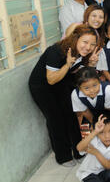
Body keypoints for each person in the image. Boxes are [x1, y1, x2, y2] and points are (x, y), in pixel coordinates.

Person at [29, 26, 99, 166]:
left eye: (92, 44)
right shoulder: (56, 51)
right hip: (42, 86)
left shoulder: (83, 53)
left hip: (62, 81)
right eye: (85, 42)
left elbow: (76, 73)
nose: (88, 47)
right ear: (76, 39)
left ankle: (78, 151)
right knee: (56, 119)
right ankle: (63, 156)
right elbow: (51, 79)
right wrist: (67, 65)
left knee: (71, 115)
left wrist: (90, 64)